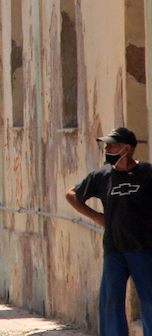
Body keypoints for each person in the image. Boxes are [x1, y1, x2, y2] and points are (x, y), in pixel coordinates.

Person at [66, 127, 152, 336]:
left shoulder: (147, 173)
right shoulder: (102, 176)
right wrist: (96, 217)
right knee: (111, 301)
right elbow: (72, 194)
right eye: (106, 145)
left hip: (144, 248)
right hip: (114, 249)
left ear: (127, 148)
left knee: (149, 301)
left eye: (112, 144)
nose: (107, 148)